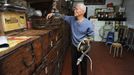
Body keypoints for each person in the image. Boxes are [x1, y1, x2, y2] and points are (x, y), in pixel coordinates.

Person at [46, 3, 94, 75]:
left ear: (83, 11)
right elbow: (62, 16)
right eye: (75, 8)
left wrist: (87, 40)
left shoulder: (88, 23)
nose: (74, 10)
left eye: (76, 9)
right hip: (74, 47)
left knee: (83, 66)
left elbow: (91, 37)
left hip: (83, 48)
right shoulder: (71, 19)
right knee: (74, 65)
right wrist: (53, 14)